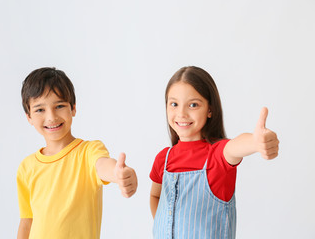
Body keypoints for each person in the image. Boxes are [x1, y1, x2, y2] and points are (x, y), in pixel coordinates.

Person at [149, 66, 279, 239]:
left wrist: (256, 142)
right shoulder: (163, 159)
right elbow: (155, 195)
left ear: (210, 109)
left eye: (193, 105)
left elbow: (236, 146)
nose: (181, 113)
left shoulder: (217, 154)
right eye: (174, 104)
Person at [16, 67, 138, 239]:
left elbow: (103, 165)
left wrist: (118, 174)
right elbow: (27, 221)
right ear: (29, 116)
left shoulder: (88, 151)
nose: (51, 117)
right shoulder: (26, 167)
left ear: (73, 108)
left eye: (59, 106)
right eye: (40, 110)